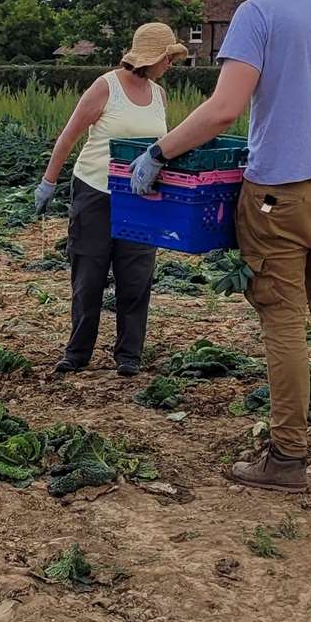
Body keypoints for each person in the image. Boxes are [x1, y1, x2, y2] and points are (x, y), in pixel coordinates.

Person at [127, 0, 311, 492]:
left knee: (284, 320)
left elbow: (224, 110)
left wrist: (160, 153)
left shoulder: (257, 13)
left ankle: (287, 458)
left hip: (278, 192)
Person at [36, 23, 187, 377]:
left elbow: (163, 146)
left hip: (140, 198)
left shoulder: (160, 95)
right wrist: (48, 181)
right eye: (168, 57)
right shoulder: (106, 87)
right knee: (88, 275)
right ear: (151, 57)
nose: (171, 64)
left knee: (136, 276)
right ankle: (77, 352)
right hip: (96, 192)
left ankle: (128, 355)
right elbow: (69, 137)